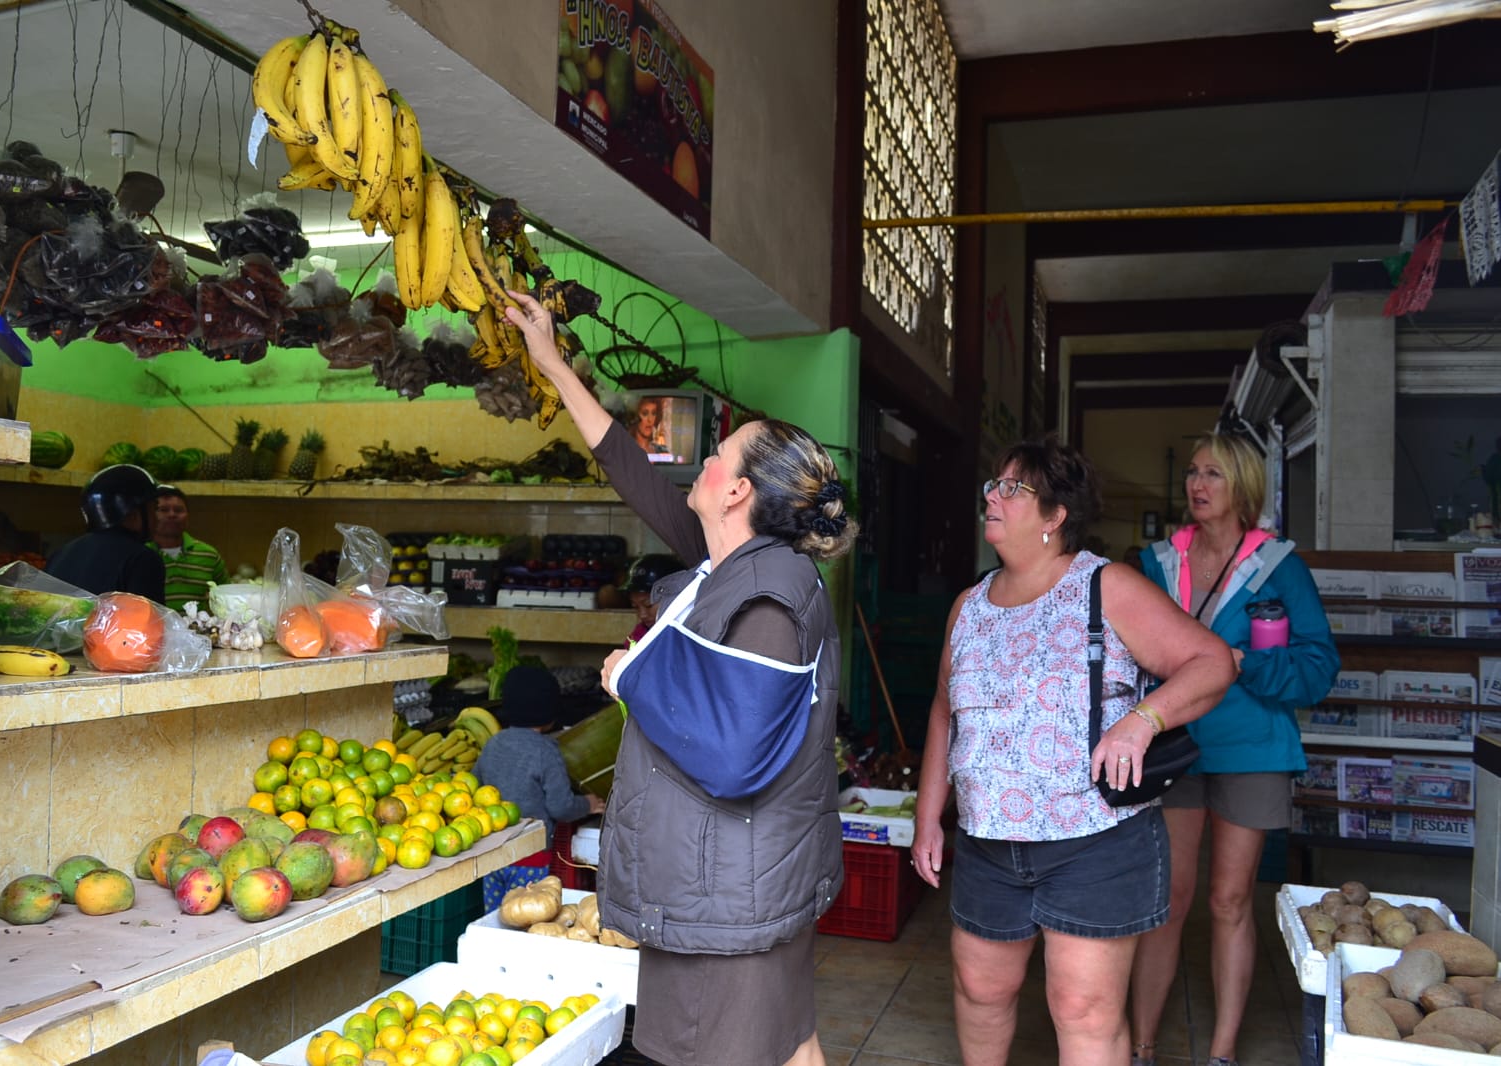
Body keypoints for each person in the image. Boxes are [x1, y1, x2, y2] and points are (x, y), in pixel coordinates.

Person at [507, 289, 857, 1066]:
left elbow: (732, 752)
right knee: (790, 1039)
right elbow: (634, 474)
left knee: (726, 1048)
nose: (702, 462)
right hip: (739, 881)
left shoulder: (768, 593)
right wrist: (553, 366)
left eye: (719, 457)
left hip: (726, 892)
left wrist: (634, 677)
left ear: (738, 492)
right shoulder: (730, 566)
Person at [909, 436, 1237, 1066]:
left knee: (1082, 1008)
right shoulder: (968, 607)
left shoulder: (1105, 586)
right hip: (987, 841)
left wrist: (1143, 719)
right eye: (992, 486)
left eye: (1013, 488)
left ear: (1056, 515)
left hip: (1093, 840)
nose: (992, 498)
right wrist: (929, 817)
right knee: (981, 990)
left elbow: (1211, 662)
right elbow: (944, 714)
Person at [1128, 433, 1339, 1066]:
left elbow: (1317, 668)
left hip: (1253, 747)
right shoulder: (1157, 562)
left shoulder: (1279, 566)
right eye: (1193, 472)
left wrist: (1244, 664)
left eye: (1214, 474)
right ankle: (1140, 1048)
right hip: (1175, 744)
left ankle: (1220, 1054)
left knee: (1229, 901)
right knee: (1167, 901)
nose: (1198, 484)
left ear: (1243, 486)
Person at [474, 665, 607, 909]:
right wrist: (588, 803)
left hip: (491, 856)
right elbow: (561, 807)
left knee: (494, 918)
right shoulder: (546, 751)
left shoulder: (493, 744)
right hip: (531, 859)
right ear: (551, 713)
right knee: (527, 917)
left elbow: (476, 788)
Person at [46, 464, 166, 603]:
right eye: (155, 508)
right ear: (132, 513)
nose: (158, 518)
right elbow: (148, 621)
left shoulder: (61, 553)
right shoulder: (142, 558)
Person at [150, 486, 230, 612]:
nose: (172, 514)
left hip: (197, 629)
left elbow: (228, 597)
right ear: (151, 515)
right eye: (164, 510)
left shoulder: (209, 555)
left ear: (188, 515)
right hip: (154, 630)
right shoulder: (142, 556)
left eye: (178, 510)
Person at [621, 551, 685, 644]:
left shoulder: (693, 635)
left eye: (648, 605)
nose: (642, 615)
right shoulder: (638, 637)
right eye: (636, 607)